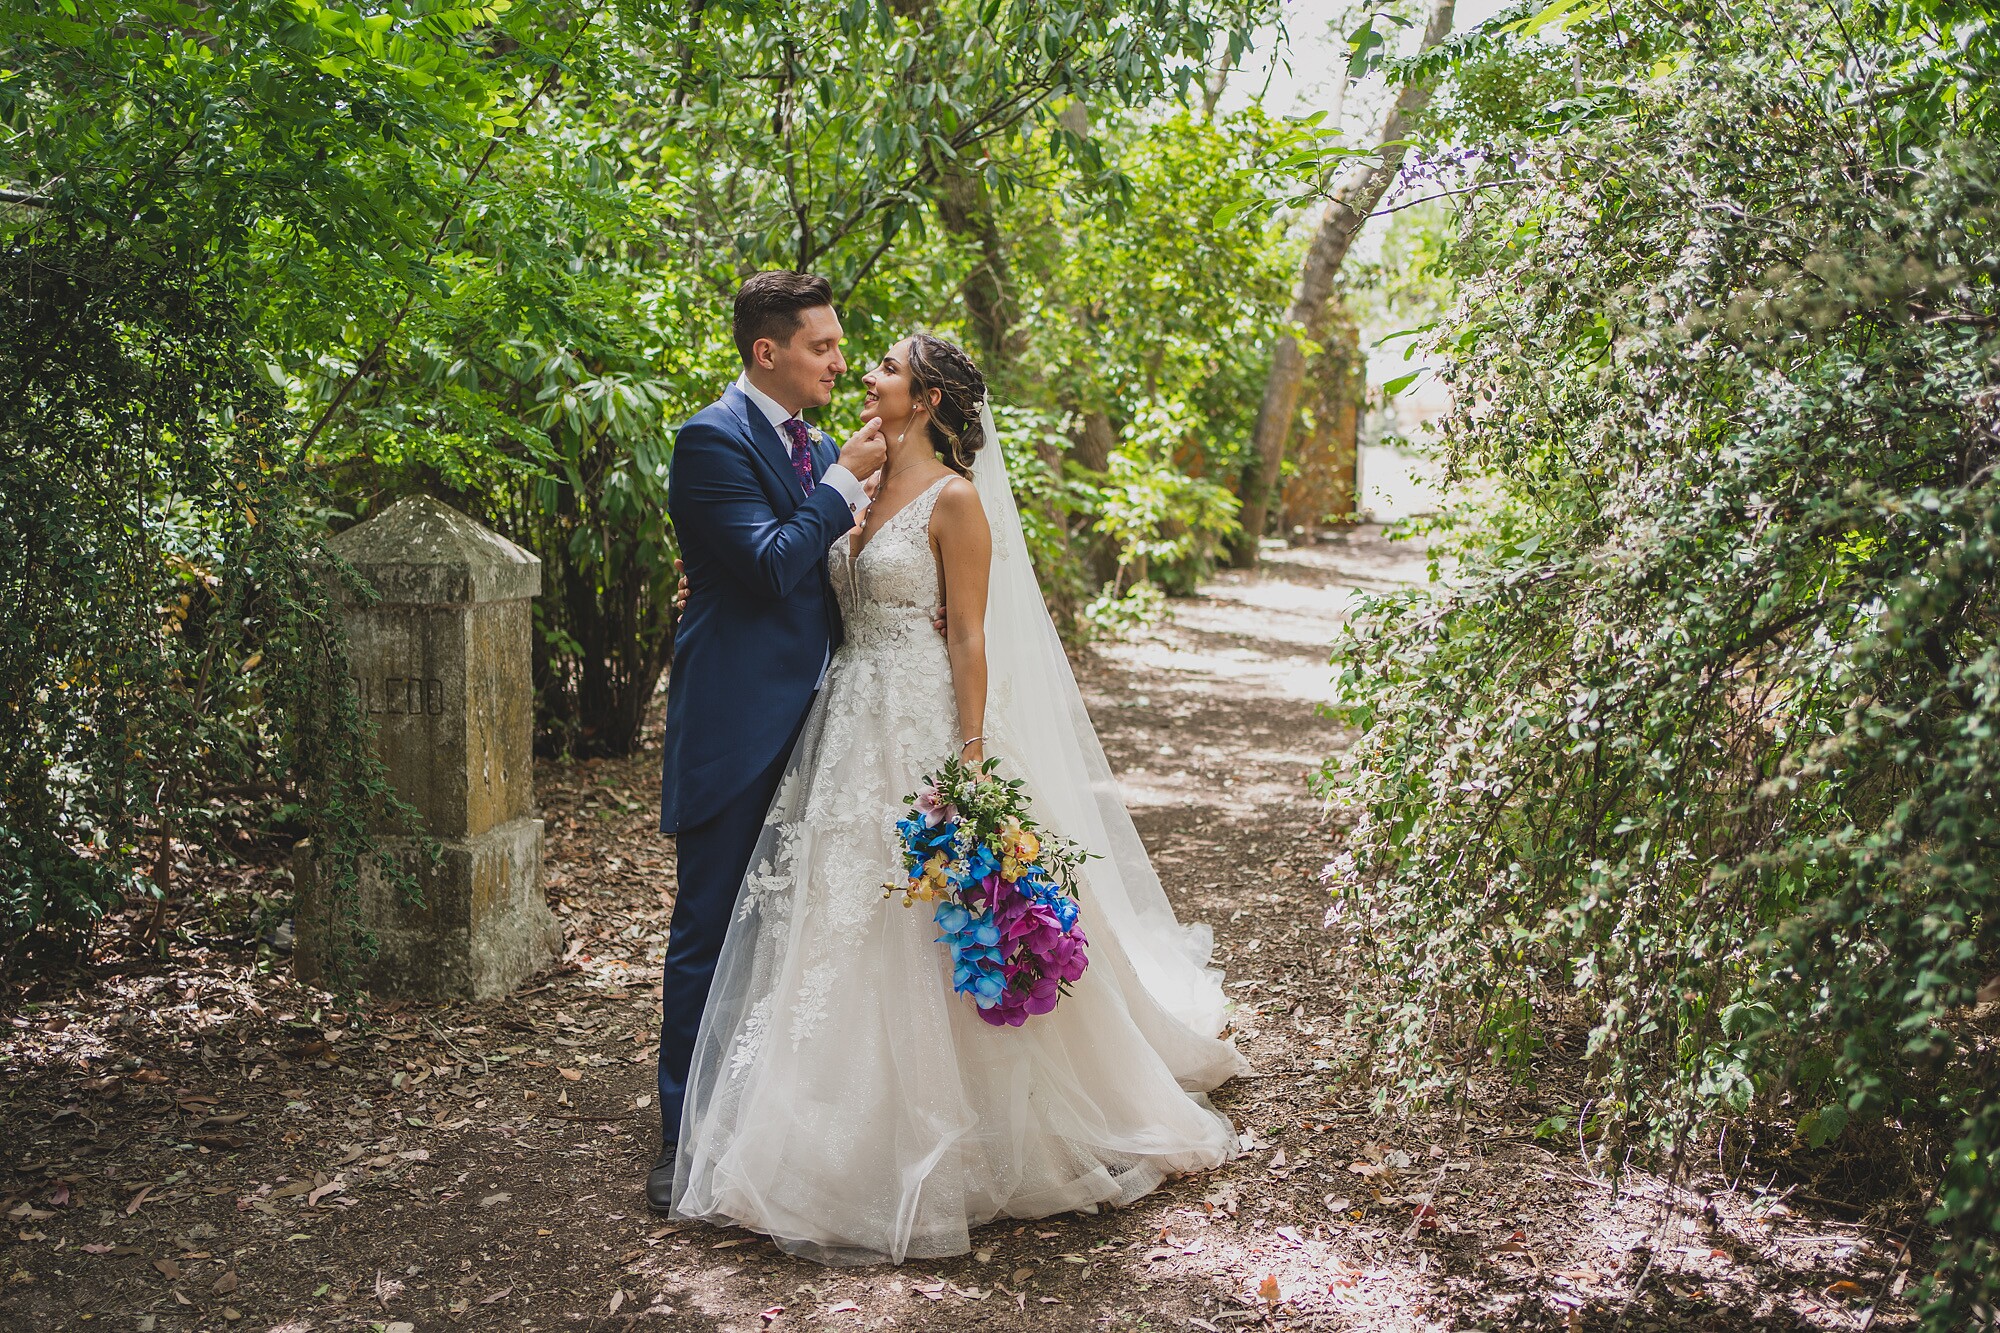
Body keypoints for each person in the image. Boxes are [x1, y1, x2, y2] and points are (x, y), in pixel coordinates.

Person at [669, 330, 1248, 1263]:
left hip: (925, 722)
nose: (864, 375)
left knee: (937, 910)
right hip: (844, 720)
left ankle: (982, 1116)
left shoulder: (957, 500)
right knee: (837, 911)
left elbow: (971, 638)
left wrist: (970, 756)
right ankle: (818, 1115)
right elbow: (781, 562)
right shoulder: (843, 476)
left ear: (929, 398)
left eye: (887, 368)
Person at [649, 272, 887, 1213]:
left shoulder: (819, 442)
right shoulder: (711, 439)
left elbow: (819, 570)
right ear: (767, 352)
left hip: (828, 717)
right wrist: (839, 487)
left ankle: (762, 1107)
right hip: (737, 722)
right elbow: (765, 565)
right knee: (710, 924)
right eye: (823, 346)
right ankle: (682, 1133)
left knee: (790, 926)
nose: (839, 359)